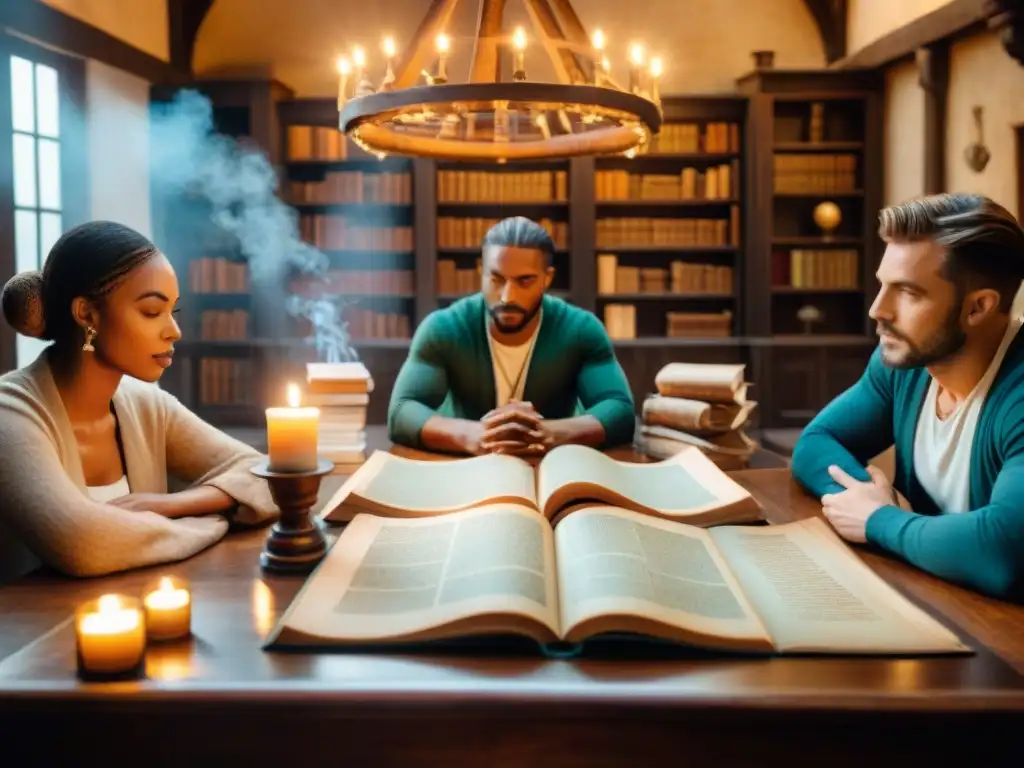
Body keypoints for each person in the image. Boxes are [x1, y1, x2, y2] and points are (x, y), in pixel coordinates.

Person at [0, 221, 277, 580]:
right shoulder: (12, 415)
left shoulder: (147, 406)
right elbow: (85, 544)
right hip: (37, 630)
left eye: (172, 312)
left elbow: (268, 478)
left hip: (139, 615)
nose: (174, 330)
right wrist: (213, 521)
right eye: (151, 311)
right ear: (87, 315)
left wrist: (167, 504)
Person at [791, 193, 1024, 600]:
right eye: (883, 286)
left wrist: (881, 520)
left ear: (978, 308)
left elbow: (1001, 551)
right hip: (934, 596)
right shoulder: (905, 364)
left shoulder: (1016, 394)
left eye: (909, 293)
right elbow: (816, 443)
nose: (878, 310)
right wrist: (869, 498)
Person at [388, 216, 635, 456]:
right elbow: (401, 412)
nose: (508, 297)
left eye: (524, 281)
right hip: (464, 468)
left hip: (548, 469)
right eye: (496, 279)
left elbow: (620, 410)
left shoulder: (581, 329)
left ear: (547, 278)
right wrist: (470, 434)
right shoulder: (444, 327)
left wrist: (552, 433)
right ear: (480, 271)